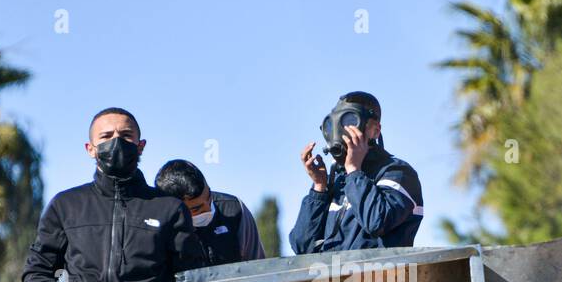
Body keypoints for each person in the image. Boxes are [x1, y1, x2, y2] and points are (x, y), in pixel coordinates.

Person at [21, 107, 204, 282]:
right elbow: (37, 271)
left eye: (126, 135)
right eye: (106, 137)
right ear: (90, 149)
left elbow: (190, 279)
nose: (116, 142)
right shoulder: (66, 205)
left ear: (141, 145)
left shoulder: (168, 208)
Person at [289, 91, 423, 254]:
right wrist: (319, 188)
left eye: (350, 121)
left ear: (375, 130)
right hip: (330, 279)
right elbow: (301, 246)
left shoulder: (398, 173)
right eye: (333, 125)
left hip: (379, 277)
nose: (340, 132)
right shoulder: (337, 180)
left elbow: (377, 222)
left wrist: (354, 170)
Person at [153, 159, 265, 266]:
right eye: (197, 209)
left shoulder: (235, 209)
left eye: (209, 197)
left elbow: (257, 267)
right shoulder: (155, 226)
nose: (209, 209)